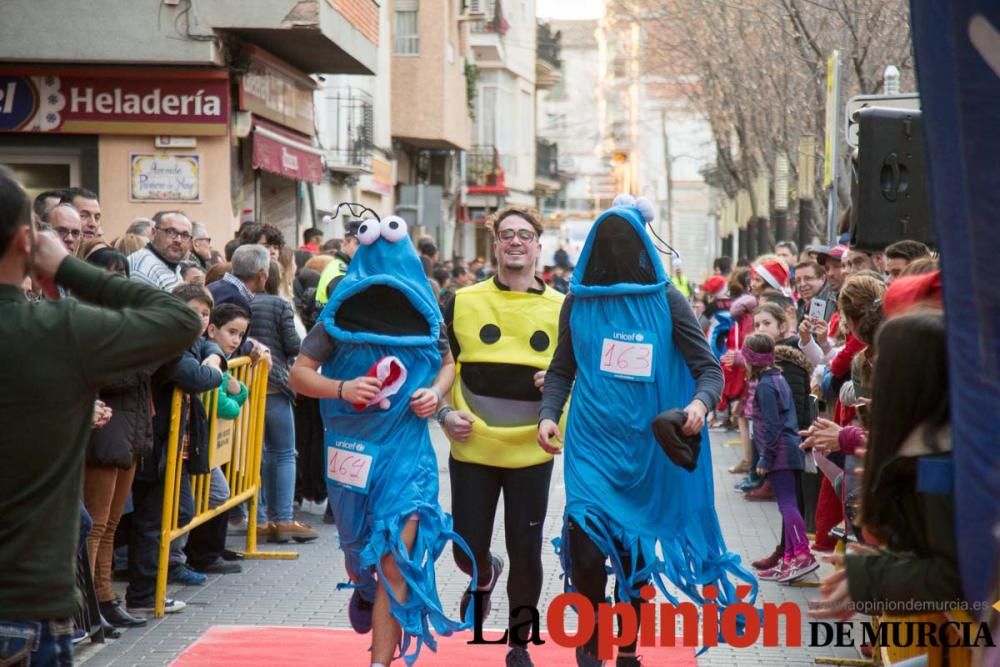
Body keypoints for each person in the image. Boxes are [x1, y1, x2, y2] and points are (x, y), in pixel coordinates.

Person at [0, 166, 203, 662]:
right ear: (28, 241)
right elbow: (179, 318)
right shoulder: (53, 328)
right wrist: (68, 268)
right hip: (25, 598)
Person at [537, 195, 749, 667]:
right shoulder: (577, 301)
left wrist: (698, 405)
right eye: (605, 241)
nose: (613, 250)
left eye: (624, 241)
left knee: (633, 559)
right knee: (588, 552)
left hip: (645, 453)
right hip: (589, 448)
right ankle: (591, 643)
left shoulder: (667, 299)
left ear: (642, 248)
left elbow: (708, 370)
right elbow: (560, 370)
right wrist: (549, 413)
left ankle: (628, 647)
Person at [289, 215, 473, 667]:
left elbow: (446, 362)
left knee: (394, 555)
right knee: (358, 551)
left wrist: (435, 391)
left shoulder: (426, 310)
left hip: (406, 453)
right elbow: (298, 373)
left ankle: (379, 662)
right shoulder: (340, 312)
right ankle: (364, 587)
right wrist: (342, 388)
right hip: (351, 451)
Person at [438, 207, 565, 667]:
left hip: (532, 447)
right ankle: (485, 572)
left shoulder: (561, 307)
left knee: (527, 549)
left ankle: (519, 642)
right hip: (471, 443)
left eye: (525, 235)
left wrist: (554, 378)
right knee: (464, 548)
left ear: (538, 244)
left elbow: (576, 373)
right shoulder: (461, 301)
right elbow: (439, 366)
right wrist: (445, 414)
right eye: (507, 234)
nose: (516, 241)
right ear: (495, 243)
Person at [812, 311, 962, 619]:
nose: (874, 366)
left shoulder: (937, 463)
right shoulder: (930, 449)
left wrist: (870, 577)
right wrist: (887, 562)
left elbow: (958, 575)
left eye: (885, 359)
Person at [124, 284, 234, 615]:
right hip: (151, 444)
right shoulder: (167, 344)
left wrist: (214, 352)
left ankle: (148, 583)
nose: (200, 320)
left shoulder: (188, 342)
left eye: (204, 314)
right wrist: (215, 365)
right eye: (193, 312)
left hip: (170, 447)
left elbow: (205, 349)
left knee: (178, 512)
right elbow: (193, 375)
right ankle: (142, 592)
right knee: (150, 519)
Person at [249, 260, 317, 543]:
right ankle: (283, 518)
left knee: (258, 455)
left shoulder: (244, 300)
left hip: (247, 385)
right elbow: (293, 345)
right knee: (284, 453)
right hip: (276, 384)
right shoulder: (279, 304)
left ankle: (261, 518)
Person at [742, 333, 817, 583]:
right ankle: (788, 558)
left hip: (781, 452)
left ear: (752, 359)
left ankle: (803, 553)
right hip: (790, 448)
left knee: (787, 505)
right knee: (789, 503)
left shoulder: (765, 385)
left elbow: (773, 424)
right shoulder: (777, 378)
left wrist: (765, 457)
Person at [128, 211, 193, 291]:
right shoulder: (143, 268)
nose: (178, 240)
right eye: (171, 232)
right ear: (153, 233)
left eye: (185, 235)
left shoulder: (171, 265)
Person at [315, 220, 361, 306]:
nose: (364, 248)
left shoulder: (347, 266)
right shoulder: (340, 272)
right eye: (359, 243)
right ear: (345, 243)